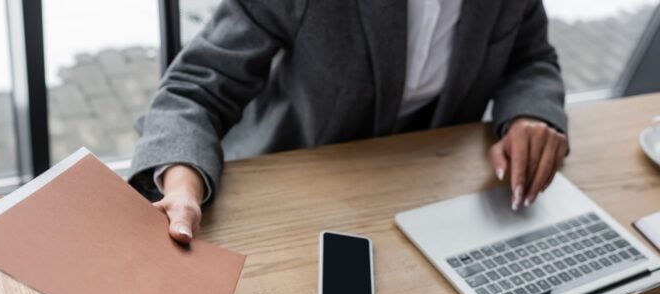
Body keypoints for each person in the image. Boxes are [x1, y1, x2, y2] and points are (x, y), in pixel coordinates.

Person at [128, 0, 569, 244]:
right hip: (295, 197)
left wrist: (531, 112)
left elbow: (531, 58)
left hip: (430, 192)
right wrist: (183, 187)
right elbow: (195, 87)